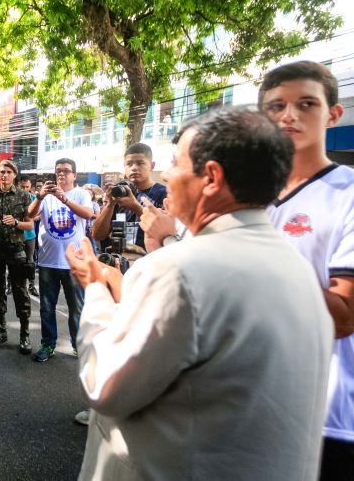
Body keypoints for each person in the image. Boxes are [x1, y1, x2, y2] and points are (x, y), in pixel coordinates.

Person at [67, 106, 332, 480]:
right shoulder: (299, 269)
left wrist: (95, 290)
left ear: (210, 177)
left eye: (175, 164)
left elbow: (104, 383)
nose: (168, 176)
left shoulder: (178, 269)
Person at [259, 60, 354, 481]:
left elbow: (341, 317)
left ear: (333, 114)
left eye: (306, 104)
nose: (289, 116)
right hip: (251, 402)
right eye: (276, 106)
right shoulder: (246, 196)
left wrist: (256, 249)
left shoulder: (347, 195)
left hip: (327, 417)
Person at [27, 158, 93, 362]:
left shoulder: (81, 194)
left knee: (77, 306)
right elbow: (29, 215)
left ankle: (78, 344)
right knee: (47, 306)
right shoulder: (45, 197)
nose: (62, 174)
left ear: (75, 175)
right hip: (48, 261)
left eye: (66, 171)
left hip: (74, 262)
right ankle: (48, 344)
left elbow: (88, 214)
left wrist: (65, 199)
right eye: (58, 171)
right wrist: (39, 196)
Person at [0, 160, 34, 353]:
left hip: (16, 250)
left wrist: (16, 222)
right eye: (1, 172)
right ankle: (1, 331)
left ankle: (24, 335)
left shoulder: (23, 195)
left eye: (8, 172)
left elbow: (30, 225)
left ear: (14, 174)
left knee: (21, 292)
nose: (4, 175)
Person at [92, 143, 166, 252]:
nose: (134, 168)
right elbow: (97, 235)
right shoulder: (120, 193)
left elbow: (166, 233)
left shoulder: (164, 194)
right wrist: (110, 205)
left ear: (152, 165)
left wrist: (135, 207)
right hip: (120, 262)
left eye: (140, 163)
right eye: (129, 164)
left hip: (150, 261)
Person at [17, 175, 39, 296]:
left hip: (30, 235)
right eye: (22, 186)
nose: (25, 189)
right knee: (14, 260)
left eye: (27, 186)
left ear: (31, 186)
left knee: (30, 260)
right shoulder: (14, 197)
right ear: (18, 185)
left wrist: (30, 217)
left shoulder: (34, 198)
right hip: (16, 235)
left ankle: (32, 285)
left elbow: (38, 215)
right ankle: (10, 283)